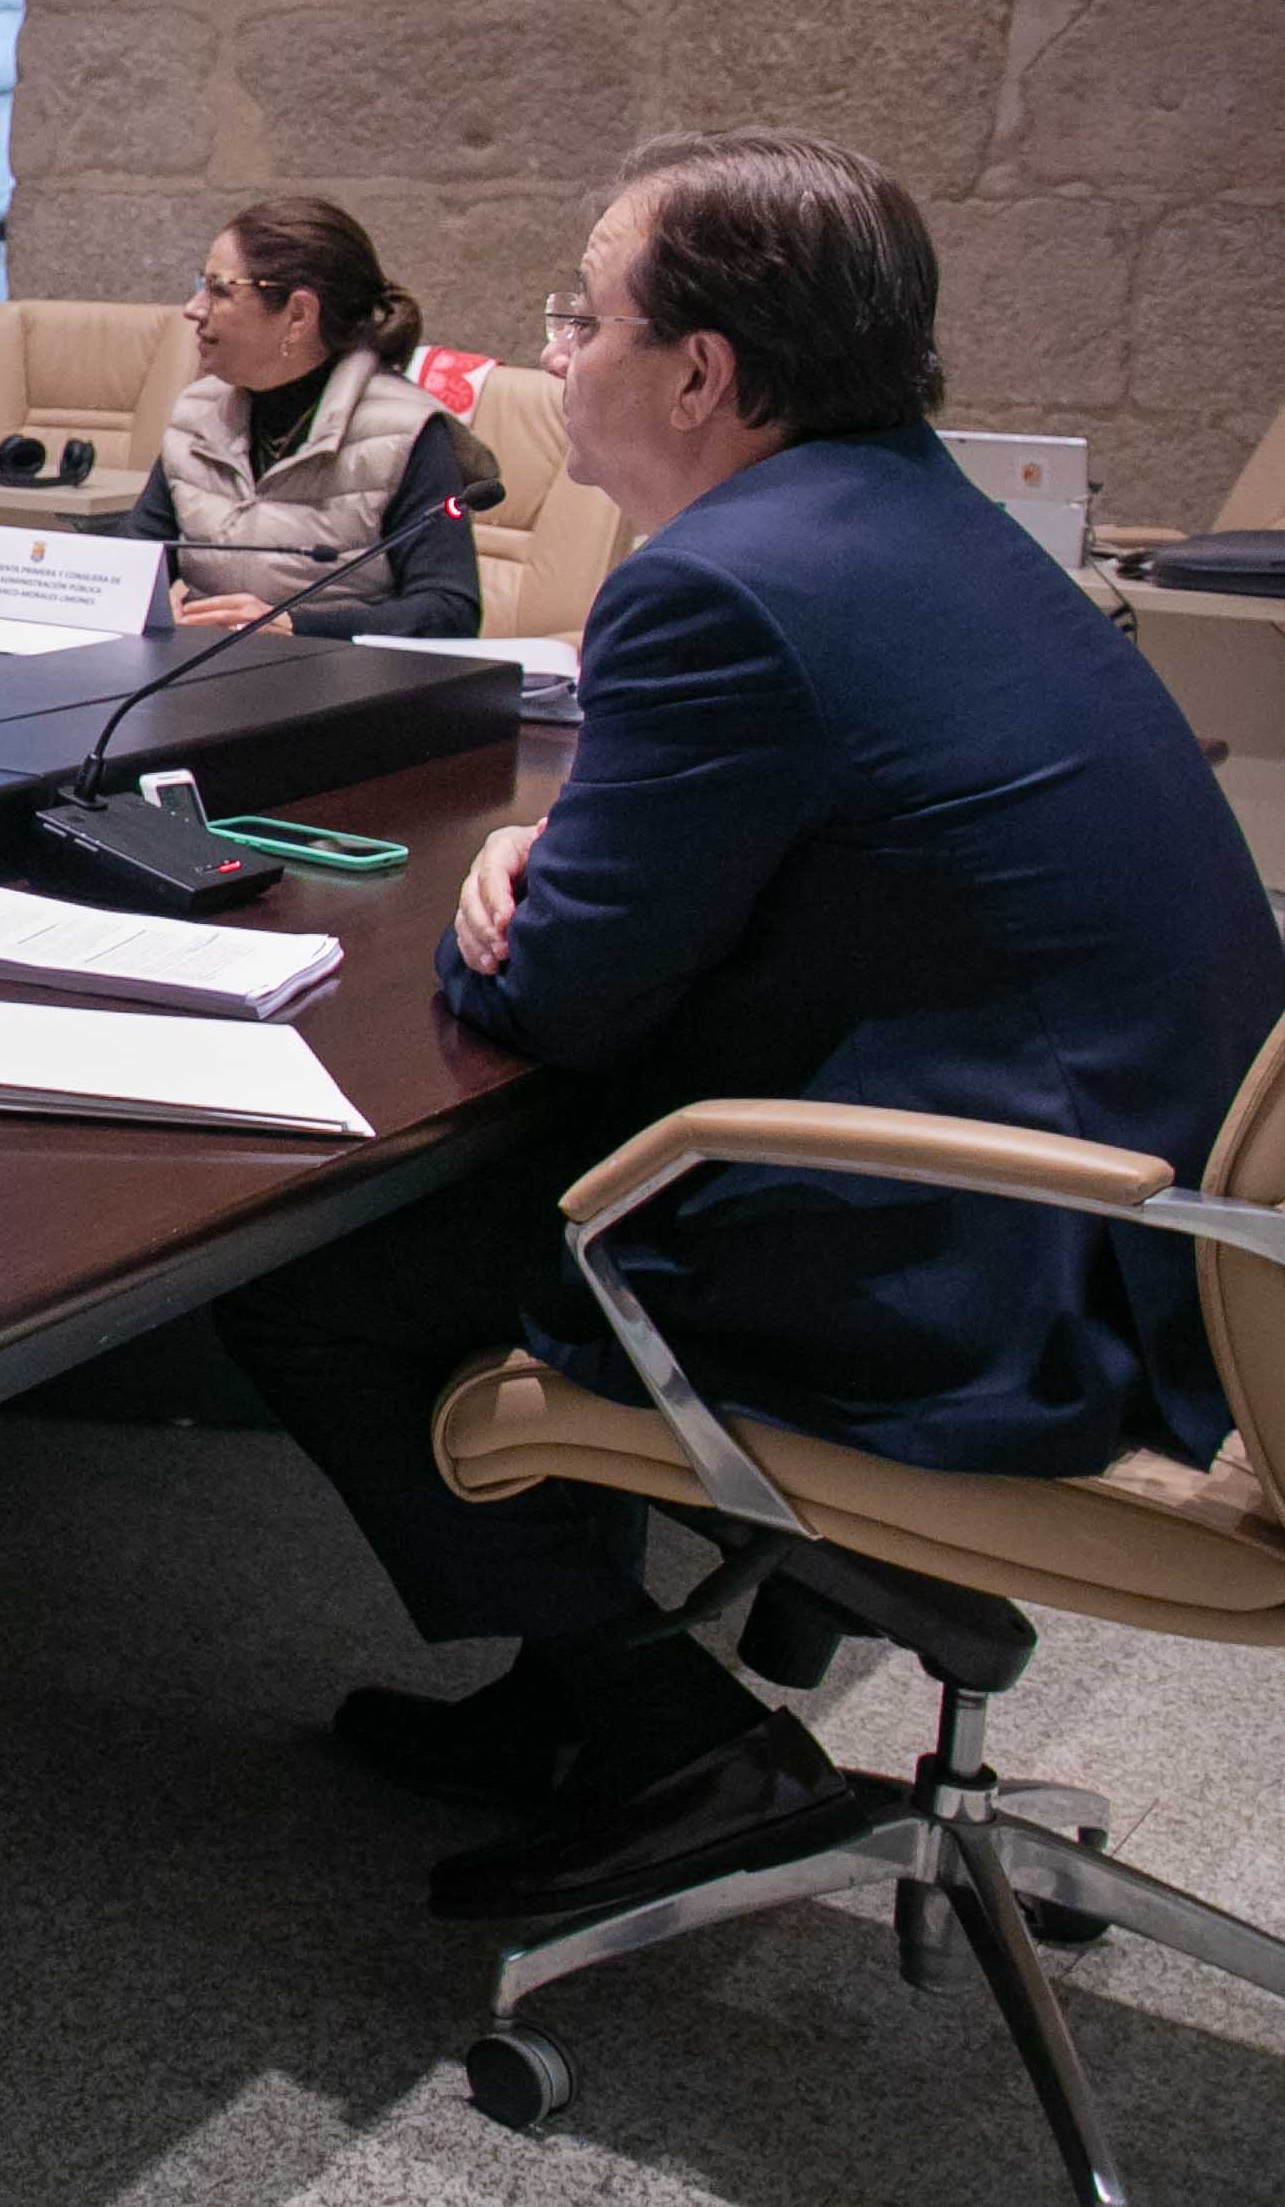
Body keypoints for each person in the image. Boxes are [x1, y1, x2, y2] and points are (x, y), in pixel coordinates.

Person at [215, 130, 1285, 1932]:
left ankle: (672, 1737)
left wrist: (501, 885)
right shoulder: (928, 516)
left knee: (315, 1263)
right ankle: (573, 1682)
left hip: (986, 1266)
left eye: (580, 311)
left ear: (699, 372)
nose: (553, 353)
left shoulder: (714, 585)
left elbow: (551, 990)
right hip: (1155, 1236)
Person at [112, 196, 483, 639]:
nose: (193, 309)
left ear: (298, 315)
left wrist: (297, 626)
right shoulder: (198, 413)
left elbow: (450, 609)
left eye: (220, 290)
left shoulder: (407, 431)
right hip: (198, 681)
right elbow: (132, 563)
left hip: (346, 693)